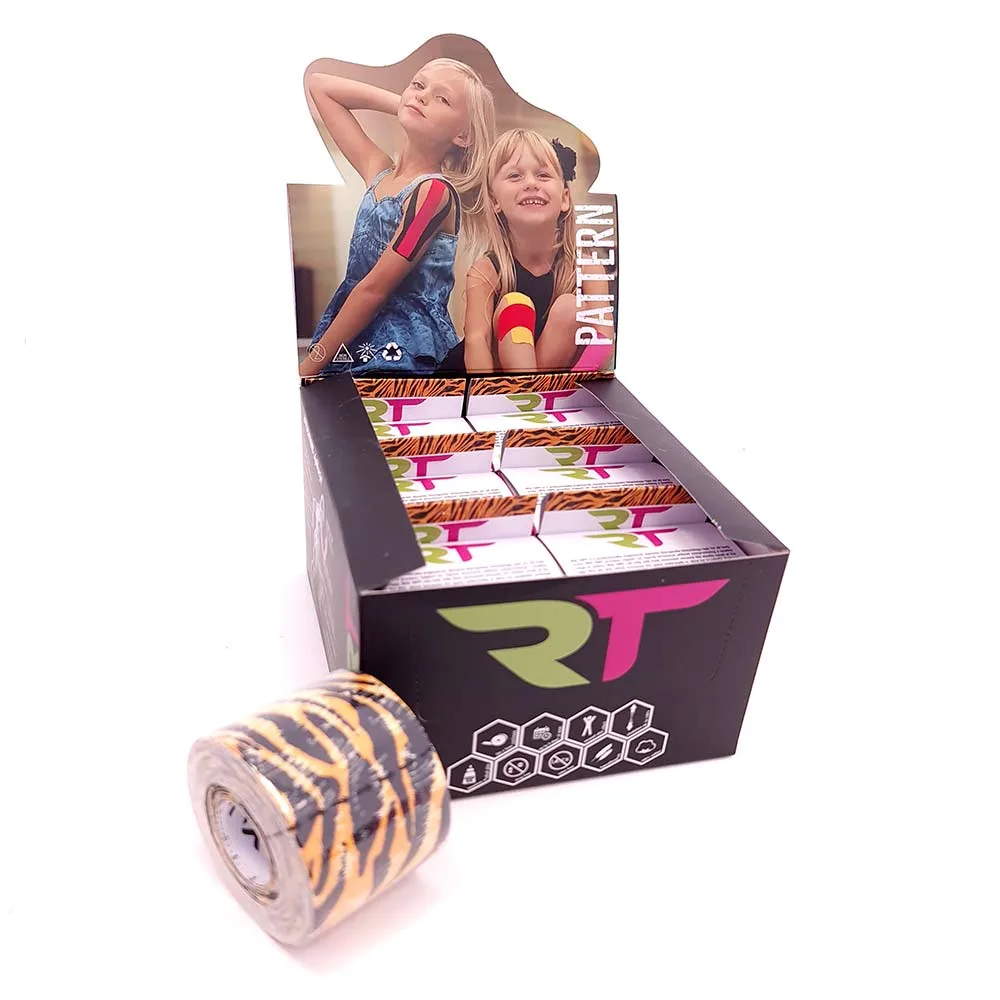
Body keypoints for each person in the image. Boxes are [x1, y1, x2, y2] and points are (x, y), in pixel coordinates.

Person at [299, 59, 495, 378]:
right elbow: (319, 86)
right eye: (418, 85)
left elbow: (375, 289)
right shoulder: (379, 170)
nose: (422, 96)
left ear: (463, 135)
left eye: (442, 99)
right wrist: (405, 104)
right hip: (355, 333)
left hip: (402, 352)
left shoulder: (433, 193)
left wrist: (309, 365)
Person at [461, 128, 613, 373]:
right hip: (498, 383)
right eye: (515, 176)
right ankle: (524, 392)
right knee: (515, 306)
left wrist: (575, 386)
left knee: (570, 307)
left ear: (565, 198)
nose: (531, 183)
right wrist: (485, 394)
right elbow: (476, 340)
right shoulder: (486, 271)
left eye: (543, 175)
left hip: (553, 382)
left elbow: (603, 338)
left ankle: (533, 392)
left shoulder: (587, 268)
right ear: (495, 201)